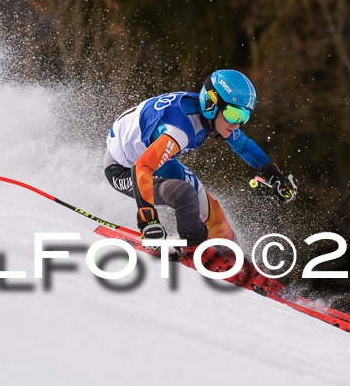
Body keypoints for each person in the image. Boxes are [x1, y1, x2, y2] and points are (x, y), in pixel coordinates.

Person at [103, 69, 297, 253]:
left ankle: (232, 256)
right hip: (124, 167)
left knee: (215, 214)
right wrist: (149, 221)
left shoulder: (210, 116)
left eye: (244, 116)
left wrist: (274, 175)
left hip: (150, 156)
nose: (237, 124)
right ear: (213, 105)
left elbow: (244, 146)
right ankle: (194, 248)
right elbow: (141, 168)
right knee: (185, 195)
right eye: (233, 114)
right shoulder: (179, 130)